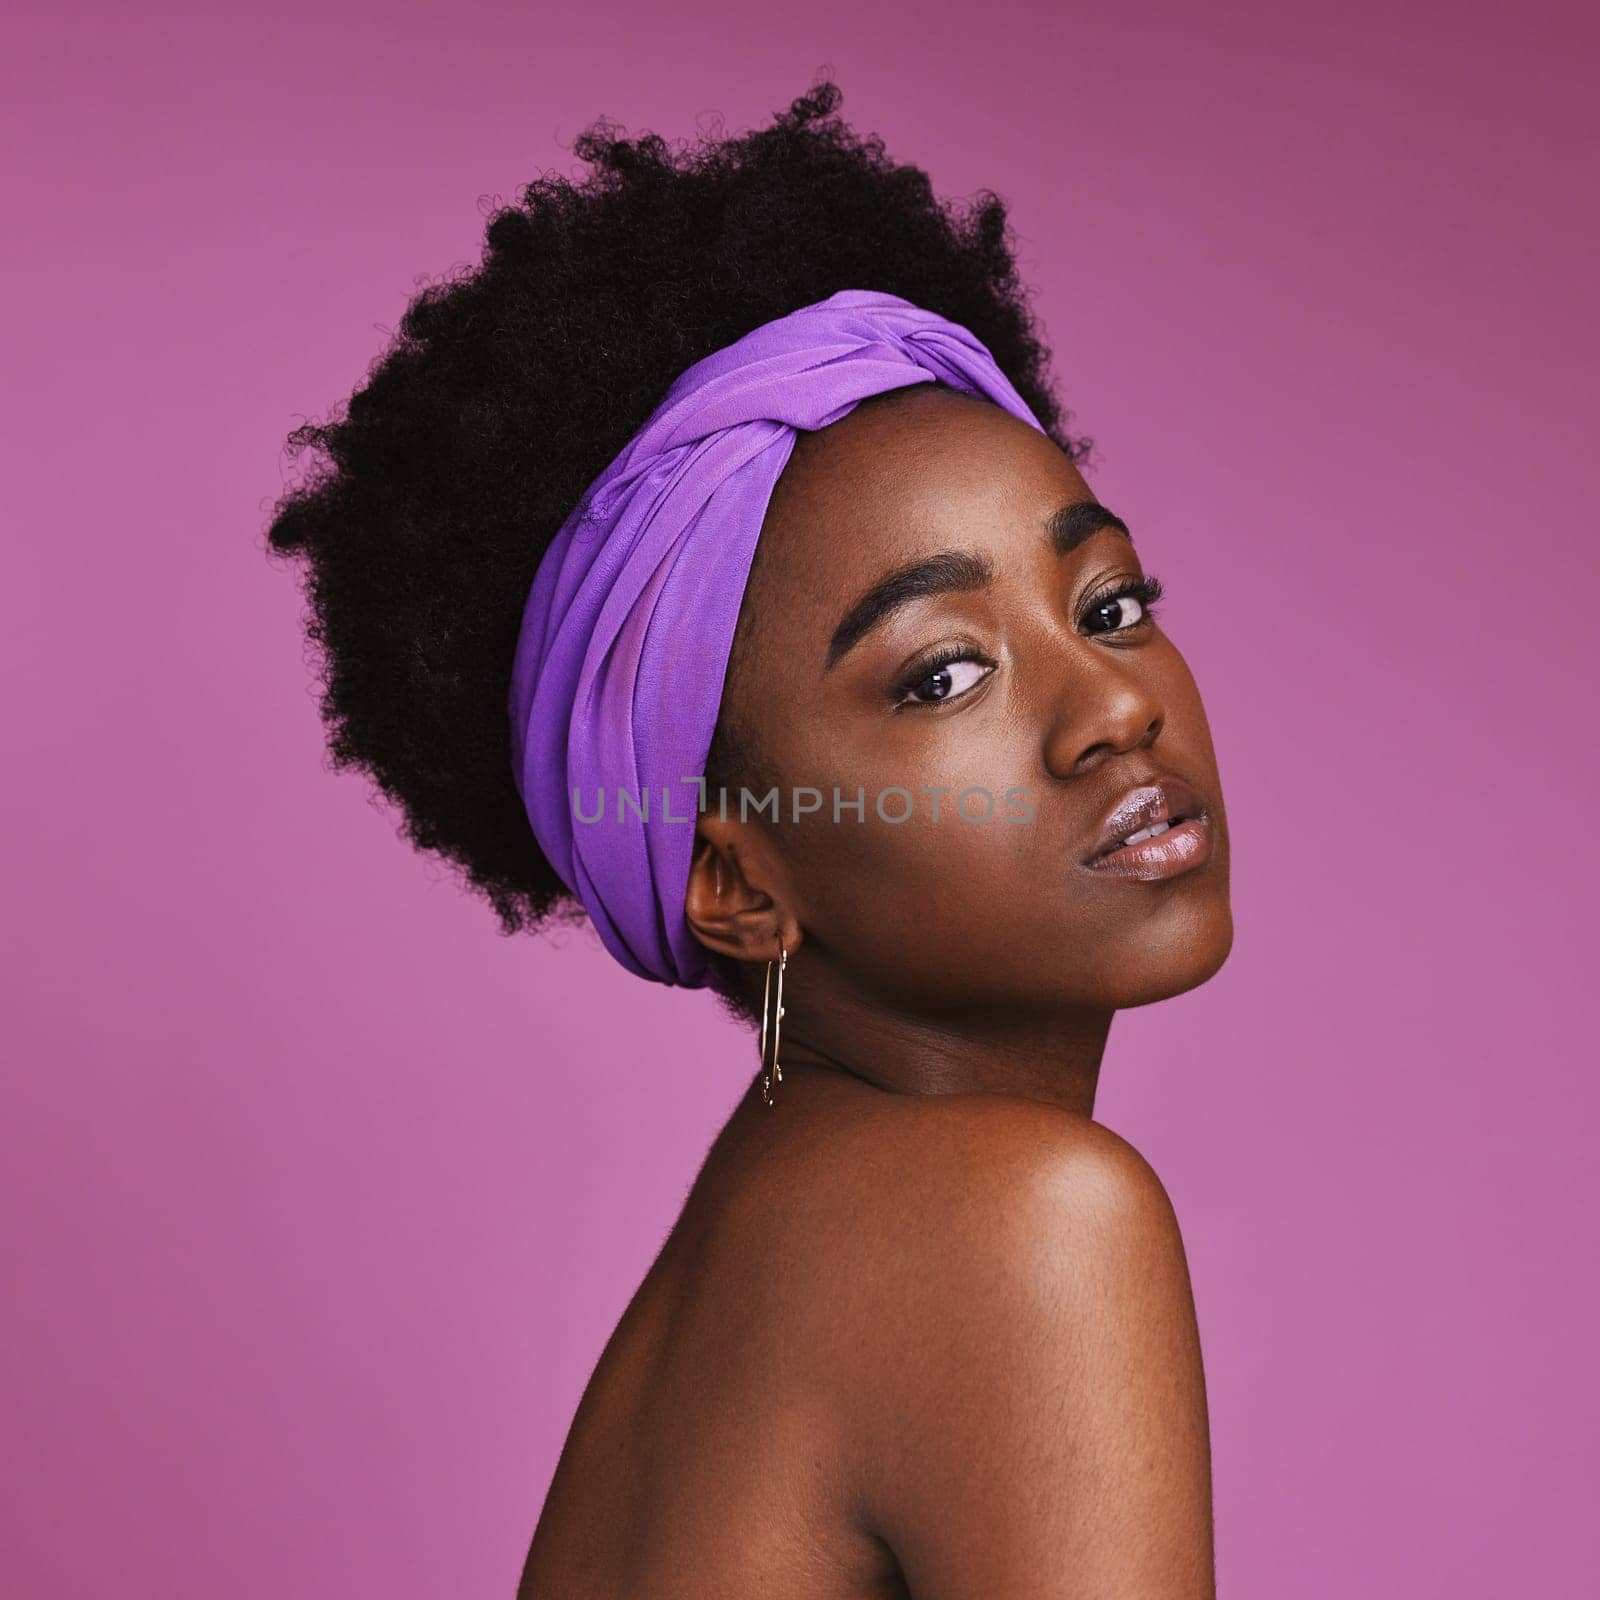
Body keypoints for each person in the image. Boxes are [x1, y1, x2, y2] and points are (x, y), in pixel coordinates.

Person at [267, 79, 1234, 1600]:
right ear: (738, 879)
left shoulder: (770, 1230)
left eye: (1108, 604)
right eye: (942, 672)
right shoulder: (1019, 1222)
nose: (1113, 705)